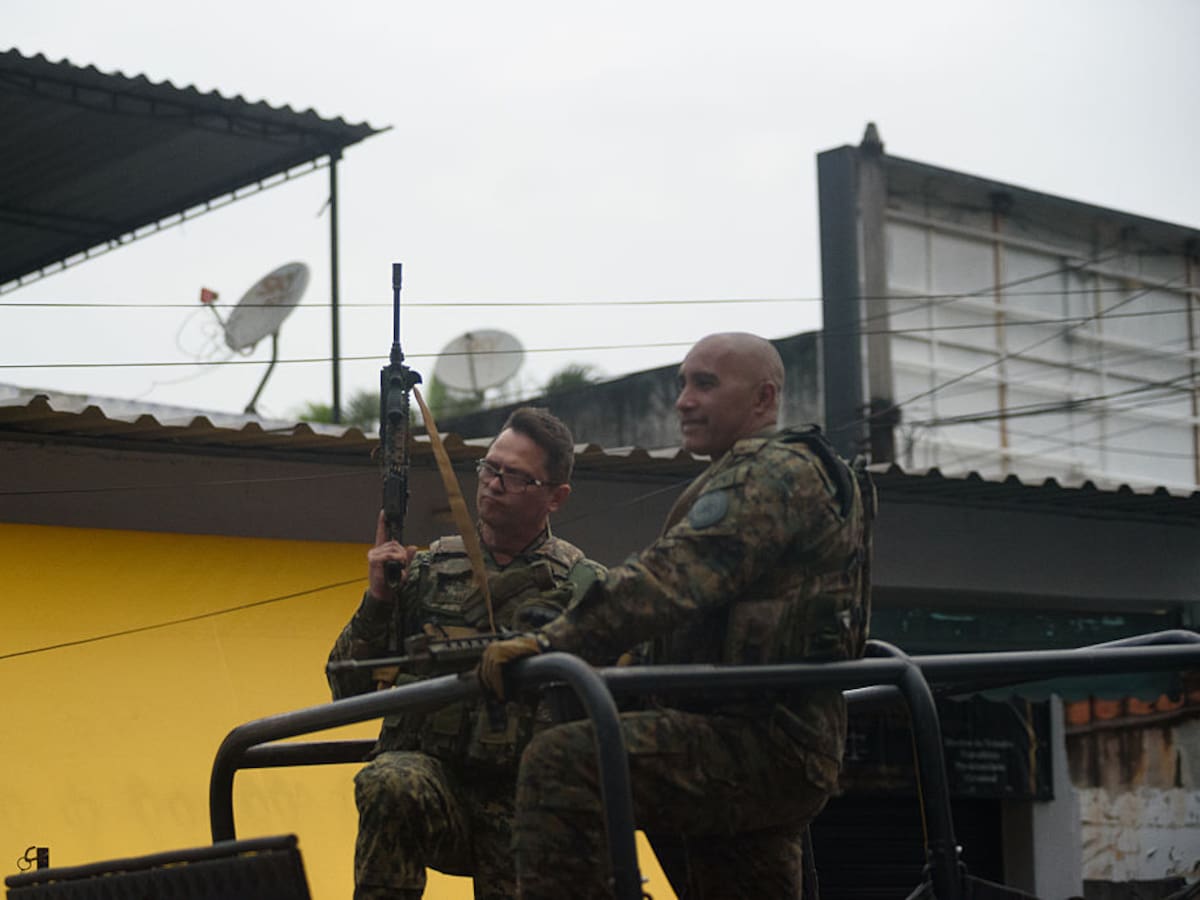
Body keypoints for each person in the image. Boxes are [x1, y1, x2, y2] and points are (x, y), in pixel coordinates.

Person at [479, 332, 874, 899]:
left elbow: (672, 578)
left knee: (566, 763)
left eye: (705, 384)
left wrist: (553, 643)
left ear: (763, 399)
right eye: (682, 383)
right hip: (768, 738)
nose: (684, 400)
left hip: (759, 742)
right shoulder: (781, 469)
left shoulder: (772, 474)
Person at [328, 406, 606, 900]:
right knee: (390, 781)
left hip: (528, 802)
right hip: (437, 788)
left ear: (556, 497)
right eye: (489, 468)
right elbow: (345, 686)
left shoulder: (582, 588)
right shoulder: (427, 570)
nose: (494, 484)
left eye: (515, 477)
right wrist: (379, 599)